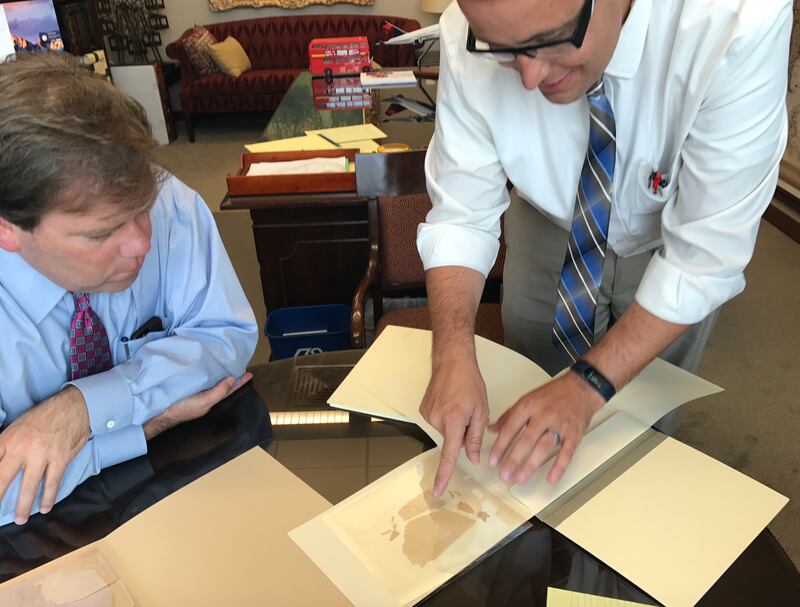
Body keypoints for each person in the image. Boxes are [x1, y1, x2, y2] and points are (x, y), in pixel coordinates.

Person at [417, 0, 791, 497]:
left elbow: (703, 256)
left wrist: (587, 386)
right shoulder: (467, 27)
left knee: (641, 416)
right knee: (531, 386)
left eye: (551, 40)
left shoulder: (741, 19)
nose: (529, 78)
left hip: (667, 238)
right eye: (505, 51)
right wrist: (451, 352)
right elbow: (462, 214)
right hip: (545, 217)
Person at [0, 52, 258, 525]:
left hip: (184, 497)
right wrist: (150, 422)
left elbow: (225, 340)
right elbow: (6, 493)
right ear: (7, 230)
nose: (142, 243)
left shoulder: (168, 199)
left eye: (143, 209)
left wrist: (82, 410)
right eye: (100, 234)